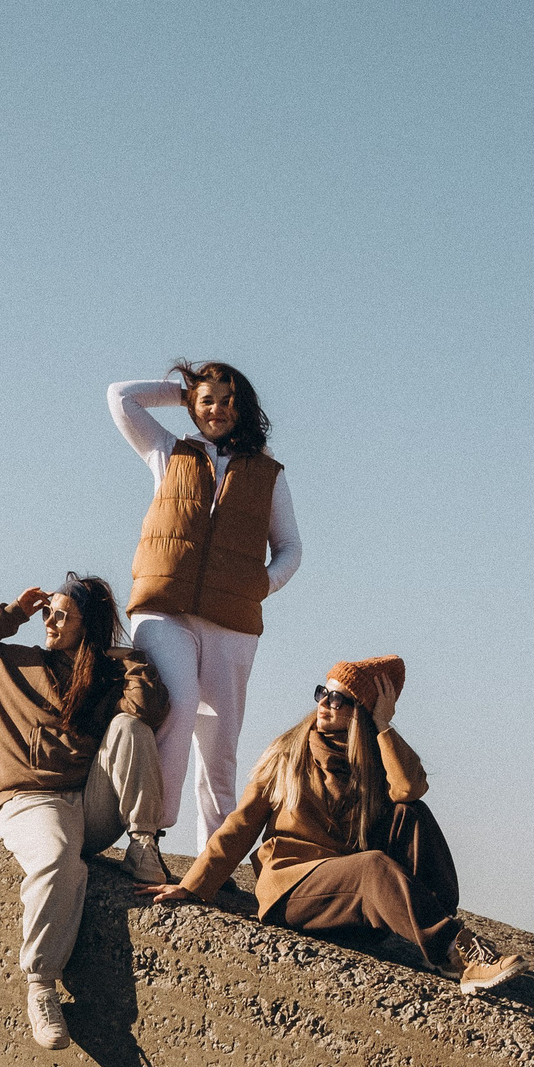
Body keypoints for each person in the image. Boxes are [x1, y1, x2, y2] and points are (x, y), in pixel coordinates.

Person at [145, 656, 524, 993]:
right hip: (294, 889)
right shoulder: (288, 752)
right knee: (372, 865)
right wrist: (192, 886)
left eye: (339, 698)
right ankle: (455, 951)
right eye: (322, 693)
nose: (325, 703)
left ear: (361, 711)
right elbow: (241, 825)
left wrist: (383, 724)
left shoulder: (372, 759)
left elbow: (409, 788)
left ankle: (440, 929)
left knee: (411, 813)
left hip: (348, 904)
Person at [0, 576, 171, 1051]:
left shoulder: (103, 676)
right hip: (31, 801)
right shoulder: (6, 665)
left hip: (89, 804)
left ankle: (143, 844)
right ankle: (41, 986)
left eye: (62, 615)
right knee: (57, 860)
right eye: (49, 612)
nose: (50, 621)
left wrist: (130, 661)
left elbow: (145, 710)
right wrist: (14, 612)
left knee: (130, 729)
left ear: (87, 625)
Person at [108, 361, 304, 852]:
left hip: (232, 623)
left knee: (219, 744)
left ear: (245, 408)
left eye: (228, 401)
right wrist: (185, 392)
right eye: (207, 401)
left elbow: (290, 548)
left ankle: (212, 858)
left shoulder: (268, 473)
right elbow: (120, 396)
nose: (217, 410)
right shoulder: (167, 450)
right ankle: (147, 835)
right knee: (175, 706)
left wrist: (260, 586)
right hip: (163, 609)